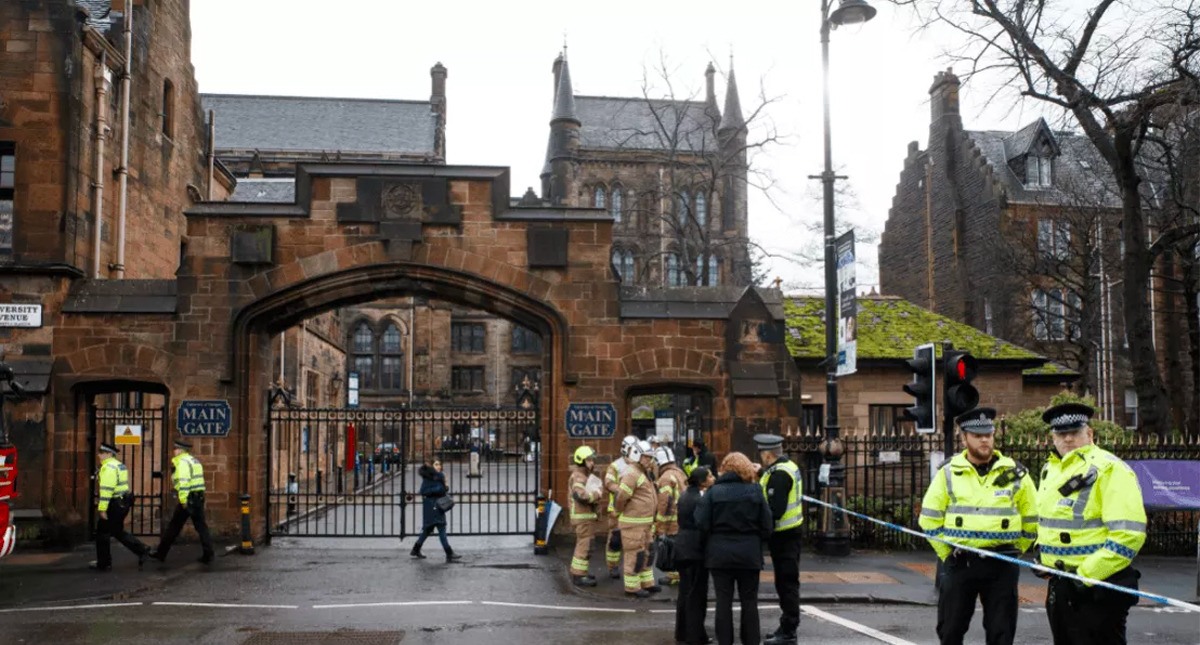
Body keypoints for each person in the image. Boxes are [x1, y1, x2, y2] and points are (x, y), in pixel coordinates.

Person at [918, 407, 1038, 645]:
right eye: (977, 435)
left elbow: (1032, 517)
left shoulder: (1016, 473)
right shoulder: (948, 473)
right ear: (963, 438)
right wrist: (947, 553)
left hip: (1002, 562)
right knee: (950, 629)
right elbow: (929, 519)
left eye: (988, 434)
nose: (985, 440)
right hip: (961, 561)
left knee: (1001, 632)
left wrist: (1017, 549)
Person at [1036, 403, 1146, 645]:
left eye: (1074, 432)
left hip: (1098, 589)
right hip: (1062, 584)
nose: (1067, 439)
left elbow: (1129, 534)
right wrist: (1043, 556)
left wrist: (1085, 575)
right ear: (1052, 437)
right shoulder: (1050, 470)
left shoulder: (1110, 468)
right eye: (1061, 433)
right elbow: (1049, 521)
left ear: (1090, 434)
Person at [696, 452, 773, 645]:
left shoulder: (714, 492)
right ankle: (751, 641)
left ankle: (725, 642)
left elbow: (701, 522)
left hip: (720, 553)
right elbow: (767, 525)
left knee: (723, 602)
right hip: (748, 553)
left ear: (724, 469)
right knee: (749, 602)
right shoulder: (755, 491)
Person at [754, 434, 804, 645]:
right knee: (786, 582)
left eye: (762, 454)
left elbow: (775, 510)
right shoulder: (787, 466)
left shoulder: (780, 475)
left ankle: (788, 631)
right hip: (791, 534)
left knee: (786, 584)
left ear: (767, 454)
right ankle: (786, 626)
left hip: (784, 537)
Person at [149, 439, 214, 565]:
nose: (174, 451)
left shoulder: (182, 462)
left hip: (188, 498)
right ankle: (209, 554)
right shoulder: (194, 461)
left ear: (180, 450)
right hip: (197, 496)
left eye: (175, 449)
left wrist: (183, 500)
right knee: (201, 526)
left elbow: (184, 482)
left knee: (174, 526)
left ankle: (161, 553)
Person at [90, 443, 150, 571]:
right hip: (122, 502)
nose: (99, 455)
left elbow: (107, 490)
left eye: (102, 453)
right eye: (99, 452)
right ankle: (142, 549)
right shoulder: (119, 465)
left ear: (109, 454)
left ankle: (104, 563)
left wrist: (102, 509)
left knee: (102, 533)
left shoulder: (108, 468)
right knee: (117, 531)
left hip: (114, 503)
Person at [613, 440, 660, 598]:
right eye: (647, 457)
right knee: (635, 555)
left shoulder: (643, 473)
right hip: (633, 524)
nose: (650, 460)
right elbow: (621, 497)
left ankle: (647, 583)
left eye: (651, 457)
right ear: (637, 455)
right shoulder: (632, 473)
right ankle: (632, 588)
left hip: (645, 523)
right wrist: (618, 511)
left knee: (647, 553)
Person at [675, 465, 715, 645]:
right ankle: (696, 636)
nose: (713, 478)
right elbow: (702, 523)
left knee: (684, 593)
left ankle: (682, 633)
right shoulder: (700, 499)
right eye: (710, 476)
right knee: (697, 595)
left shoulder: (685, 495)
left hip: (683, 546)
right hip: (695, 549)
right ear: (702, 481)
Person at [410, 458, 461, 562]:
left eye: (439, 464)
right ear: (432, 466)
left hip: (434, 506)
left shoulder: (437, 476)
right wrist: (441, 487)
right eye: (436, 464)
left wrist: (444, 486)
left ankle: (416, 549)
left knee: (428, 529)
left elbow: (440, 490)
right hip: (433, 507)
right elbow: (424, 491)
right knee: (441, 528)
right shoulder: (432, 477)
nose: (439, 466)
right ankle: (449, 552)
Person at [604, 435, 638, 578]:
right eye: (631, 448)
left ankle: (633, 568)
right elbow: (608, 483)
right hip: (617, 510)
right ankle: (613, 567)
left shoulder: (638, 465)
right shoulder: (616, 466)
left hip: (633, 510)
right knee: (615, 540)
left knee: (635, 541)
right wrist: (622, 491)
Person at [568, 445, 602, 586]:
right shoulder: (579, 477)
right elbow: (580, 496)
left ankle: (581, 572)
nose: (592, 463)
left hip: (586, 517)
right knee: (584, 545)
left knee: (587, 545)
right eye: (589, 460)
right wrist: (597, 494)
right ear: (581, 460)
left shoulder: (583, 475)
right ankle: (578, 576)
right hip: (582, 518)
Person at [654, 445, 687, 586]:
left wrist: (659, 524)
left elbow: (664, 502)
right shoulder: (681, 473)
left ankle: (674, 577)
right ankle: (679, 575)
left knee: (672, 549)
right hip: (683, 519)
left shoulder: (666, 477)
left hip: (672, 521)